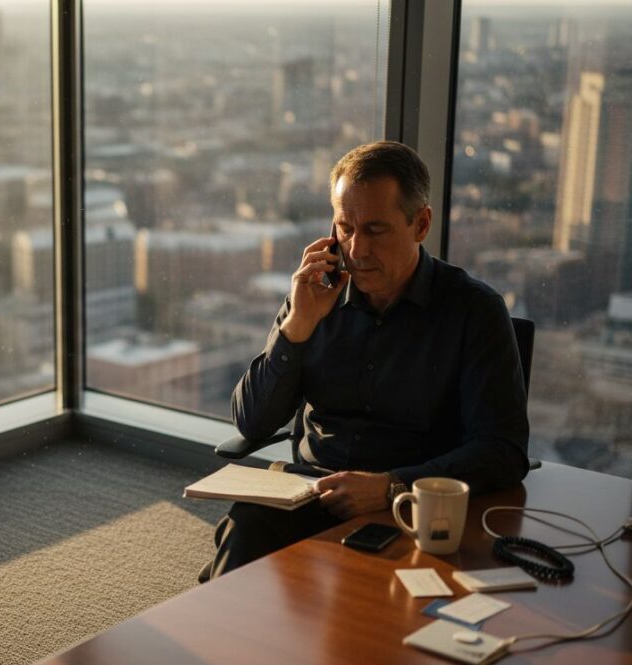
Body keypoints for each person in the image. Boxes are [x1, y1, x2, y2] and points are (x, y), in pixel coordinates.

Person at [199, 141, 529, 582]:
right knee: (246, 531)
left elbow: (503, 450)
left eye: (375, 230)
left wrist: (392, 484)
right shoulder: (313, 295)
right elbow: (252, 422)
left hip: (412, 507)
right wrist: (298, 325)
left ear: (421, 224)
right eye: (345, 228)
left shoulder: (475, 312)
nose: (356, 249)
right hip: (311, 493)